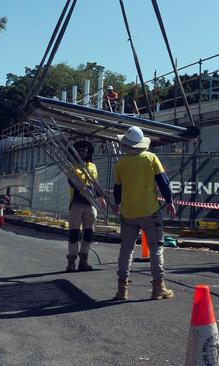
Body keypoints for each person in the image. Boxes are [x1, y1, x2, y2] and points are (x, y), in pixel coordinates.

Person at [111, 126, 176, 301]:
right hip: (150, 211)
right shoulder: (151, 158)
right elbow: (163, 182)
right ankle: (158, 287)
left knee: (126, 250)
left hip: (128, 213)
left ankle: (121, 289)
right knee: (156, 249)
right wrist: (169, 202)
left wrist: (117, 205)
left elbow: (117, 189)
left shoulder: (121, 164)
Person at [66, 140, 106, 272]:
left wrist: (100, 197)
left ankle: (84, 260)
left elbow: (96, 183)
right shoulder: (71, 166)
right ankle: (71, 261)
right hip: (77, 203)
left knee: (89, 232)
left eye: (84, 150)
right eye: (80, 150)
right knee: (74, 233)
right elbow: (71, 182)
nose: (82, 152)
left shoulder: (92, 166)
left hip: (90, 204)